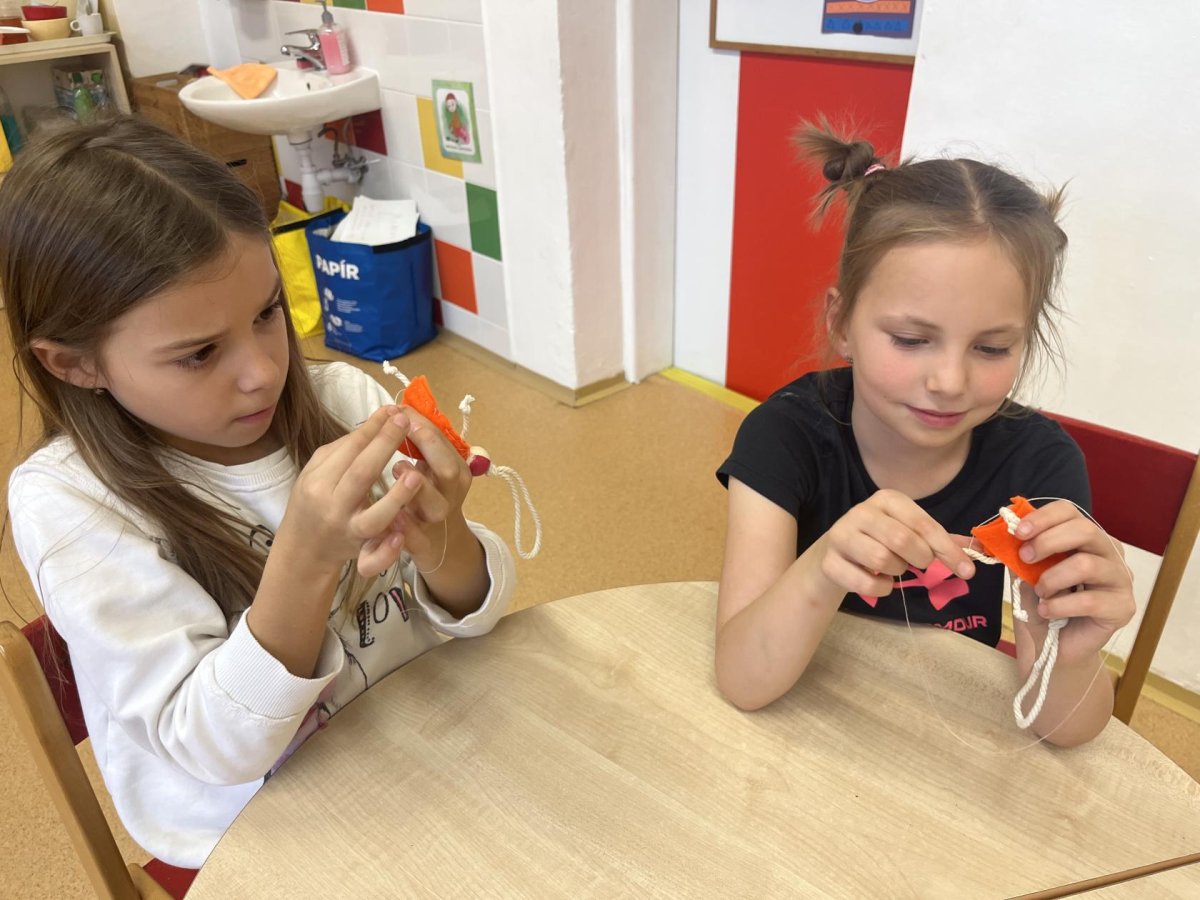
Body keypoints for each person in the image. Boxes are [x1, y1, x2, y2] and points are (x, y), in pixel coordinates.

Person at [1, 116, 515, 868]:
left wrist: (445, 540)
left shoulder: (339, 400)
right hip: (253, 835)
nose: (264, 372)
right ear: (75, 364)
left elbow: (474, 619)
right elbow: (214, 748)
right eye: (199, 353)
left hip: (411, 754)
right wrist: (305, 560)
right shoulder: (71, 504)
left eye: (268, 313)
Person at [714, 121, 1134, 747]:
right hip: (803, 725)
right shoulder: (785, 436)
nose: (949, 382)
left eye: (992, 348)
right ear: (842, 324)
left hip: (943, 737)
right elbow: (742, 681)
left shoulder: (1040, 465)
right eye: (911, 340)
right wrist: (823, 566)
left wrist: (1069, 652)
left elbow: (1065, 733)